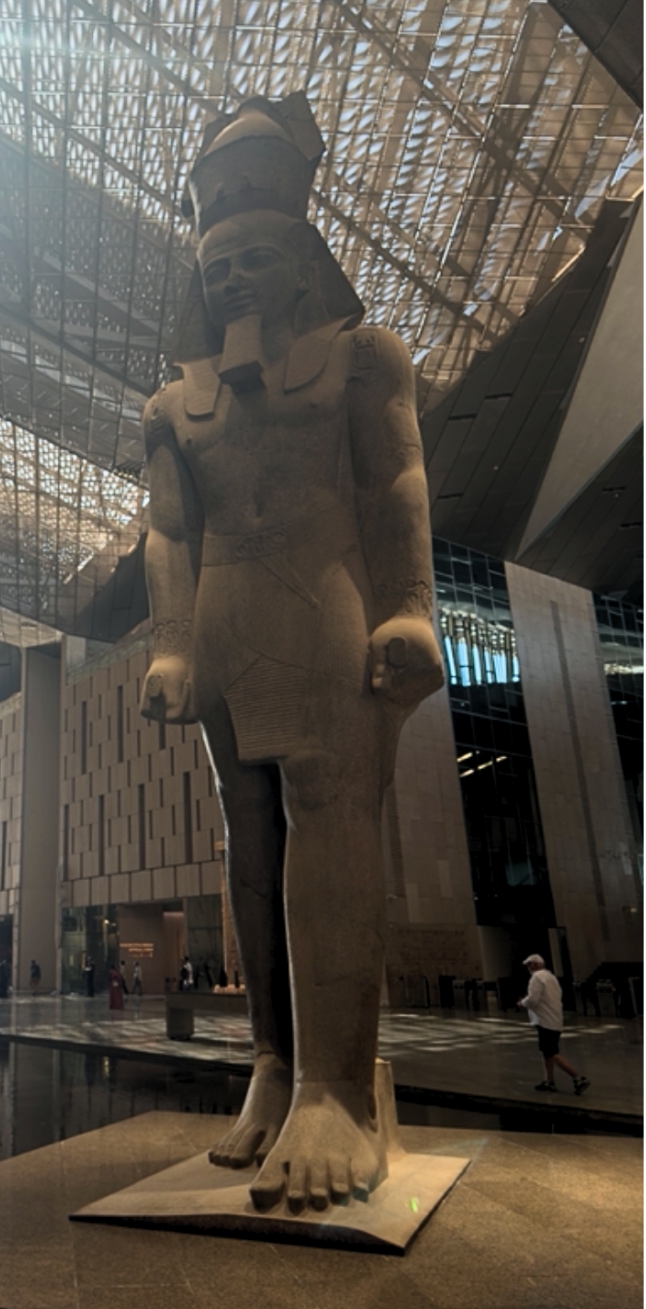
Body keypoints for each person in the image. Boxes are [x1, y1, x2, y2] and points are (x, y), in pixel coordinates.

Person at [141, 94, 444, 1212]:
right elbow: (169, 532)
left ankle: (338, 1090)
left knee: (330, 812)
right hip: (228, 621)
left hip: (327, 600)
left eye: (255, 258)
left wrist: (412, 607)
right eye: (216, 265)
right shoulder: (173, 407)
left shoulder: (363, 360)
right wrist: (172, 645)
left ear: (303, 261)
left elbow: (397, 480)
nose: (232, 280)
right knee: (251, 838)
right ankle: (274, 1066)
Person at [518, 954, 590, 1095]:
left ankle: (578, 1078)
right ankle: (549, 1080)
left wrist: (522, 1003)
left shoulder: (536, 978)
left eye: (530, 964)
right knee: (546, 1052)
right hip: (554, 1019)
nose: (528, 967)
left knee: (551, 1052)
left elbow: (533, 1000)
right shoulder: (551, 977)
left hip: (544, 1020)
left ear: (537, 965)